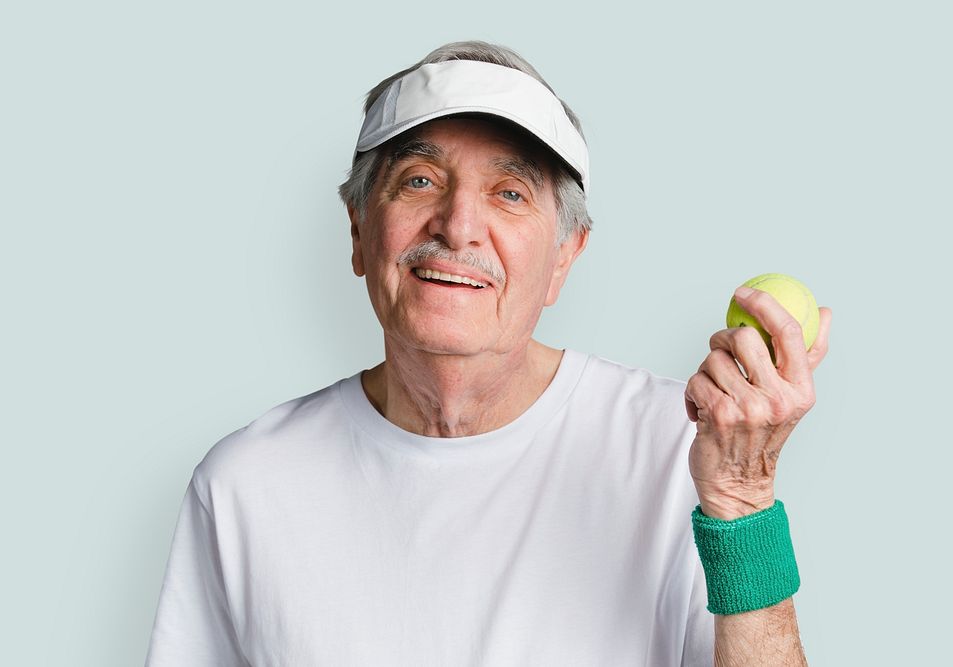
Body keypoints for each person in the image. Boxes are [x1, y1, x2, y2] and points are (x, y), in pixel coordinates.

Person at [145, 40, 832, 666]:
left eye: (509, 193)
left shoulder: (678, 448)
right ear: (358, 229)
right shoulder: (245, 486)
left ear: (565, 256)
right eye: (419, 179)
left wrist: (741, 506)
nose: (459, 225)